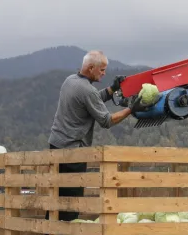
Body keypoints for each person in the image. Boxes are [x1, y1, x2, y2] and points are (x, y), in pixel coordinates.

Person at [47, 50, 152, 221]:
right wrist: (132, 109)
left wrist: (112, 89)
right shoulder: (87, 90)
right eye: (101, 70)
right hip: (72, 151)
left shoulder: (70, 81)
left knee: (56, 196)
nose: (104, 73)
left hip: (56, 145)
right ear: (90, 68)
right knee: (71, 202)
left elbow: (92, 99)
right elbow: (107, 121)